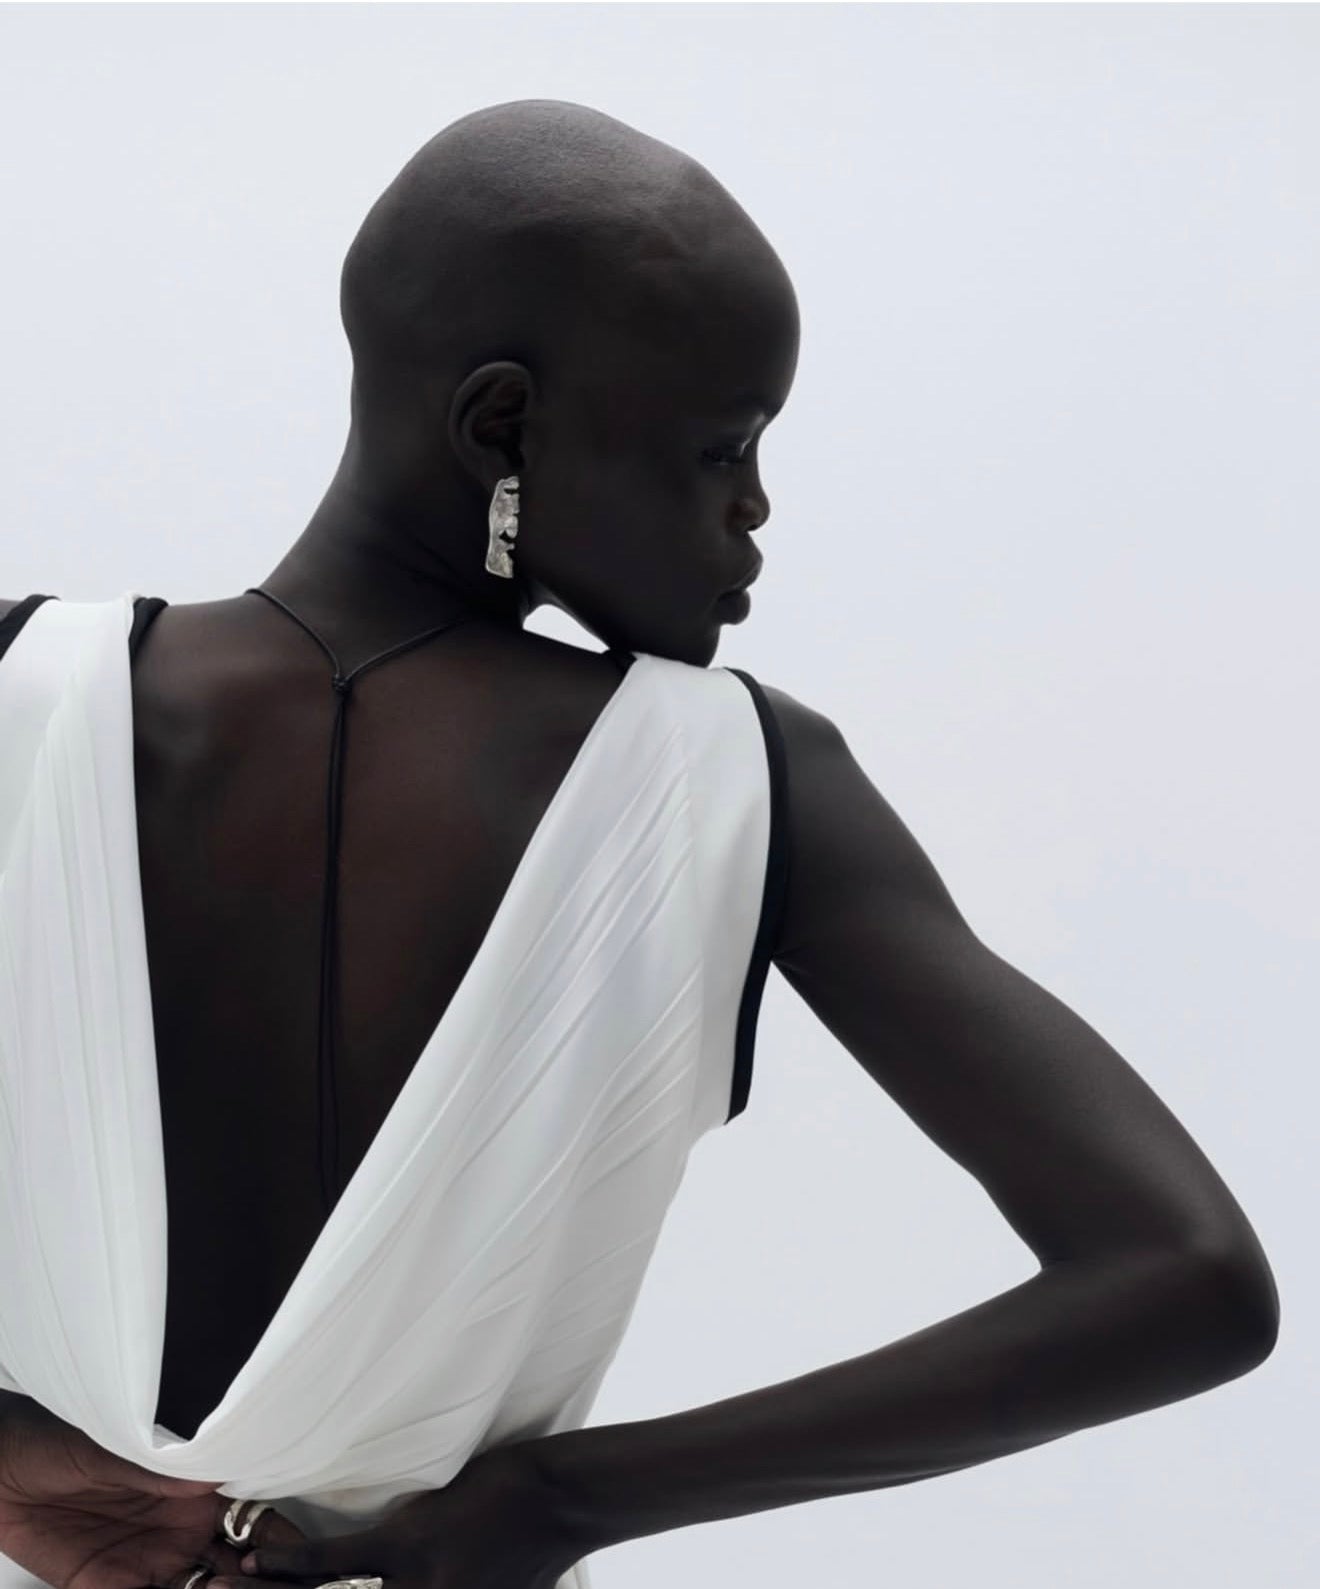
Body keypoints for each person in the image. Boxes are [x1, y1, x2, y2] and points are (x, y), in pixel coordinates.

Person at [0, 99, 1279, 1589]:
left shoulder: (23, 692)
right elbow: (1186, 1277)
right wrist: (562, 1499)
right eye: (718, 445)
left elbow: (1191, 1285)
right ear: (500, 425)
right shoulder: (742, 776)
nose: (756, 506)